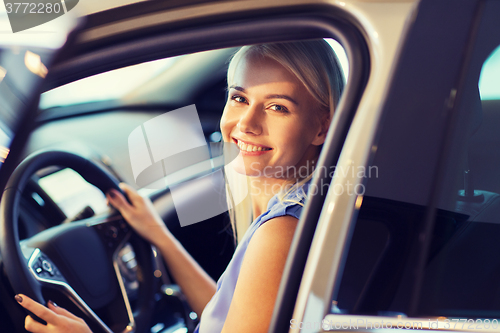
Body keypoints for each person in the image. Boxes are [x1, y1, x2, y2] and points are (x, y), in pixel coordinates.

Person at [15, 39, 344, 333]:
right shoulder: (296, 208)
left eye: (277, 107)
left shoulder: (281, 232)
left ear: (321, 127)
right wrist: (160, 236)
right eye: (239, 98)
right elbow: (225, 314)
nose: (246, 123)